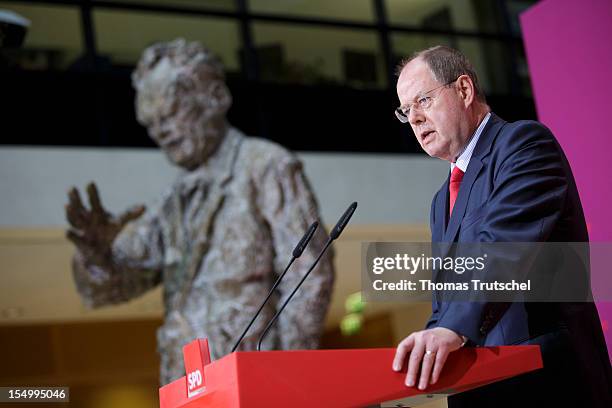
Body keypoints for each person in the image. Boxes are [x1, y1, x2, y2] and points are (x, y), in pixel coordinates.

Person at [64, 39, 334, 385]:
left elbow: (309, 276)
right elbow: (116, 287)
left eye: (172, 111)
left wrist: (284, 375)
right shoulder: (174, 199)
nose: (160, 131)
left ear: (215, 97)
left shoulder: (264, 165)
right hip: (187, 382)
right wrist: (99, 257)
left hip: (252, 379)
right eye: (151, 122)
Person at [391, 45, 611, 407]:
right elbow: (448, 294)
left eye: (423, 100)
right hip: (481, 387)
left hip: (547, 382)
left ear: (463, 90)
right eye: (405, 110)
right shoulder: (440, 201)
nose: (414, 118)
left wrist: (451, 329)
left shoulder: (523, 145)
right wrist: (431, 344)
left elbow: (503, 248)